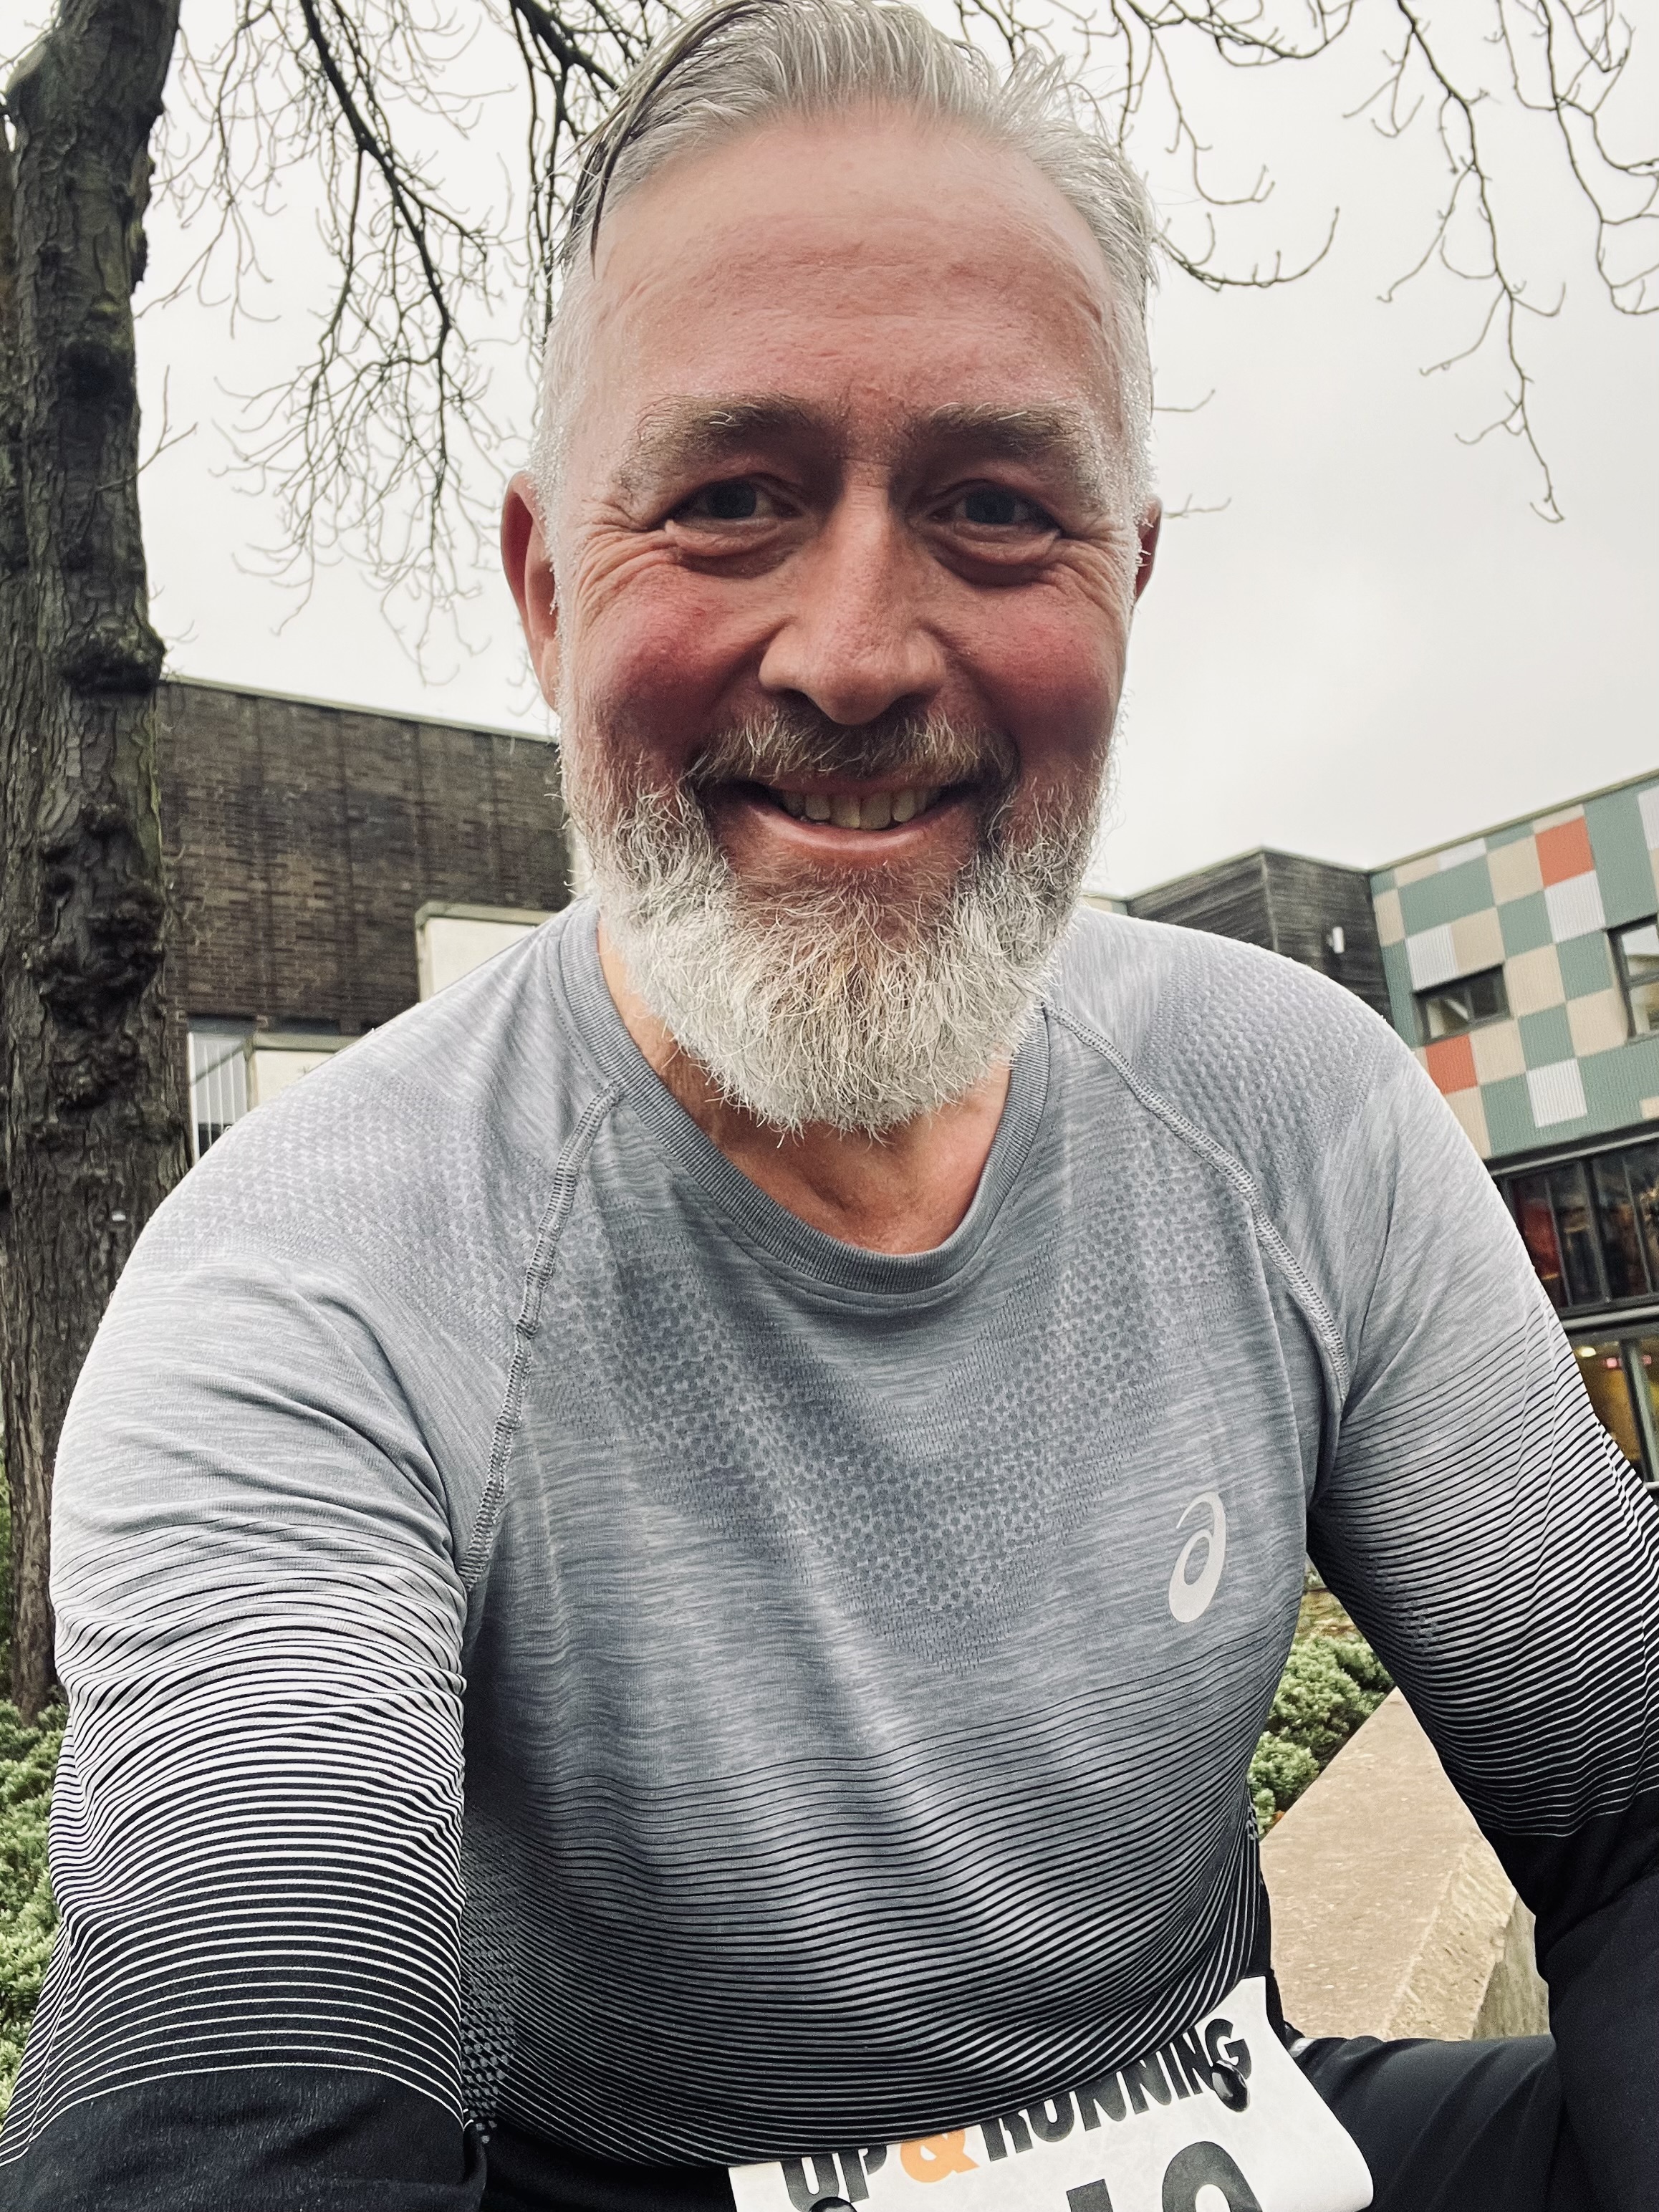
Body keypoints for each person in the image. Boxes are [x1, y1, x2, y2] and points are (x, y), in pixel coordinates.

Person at [1, 2, 1654, 2206]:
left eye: (991, 508)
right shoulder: (310, 1267)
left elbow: (1625, 1800)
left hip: (1205, 2134)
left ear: (1124, 583)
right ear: (543, 586)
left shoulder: (1301, 1115)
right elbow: (236, 2100)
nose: (857, 655)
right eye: (729, 500)